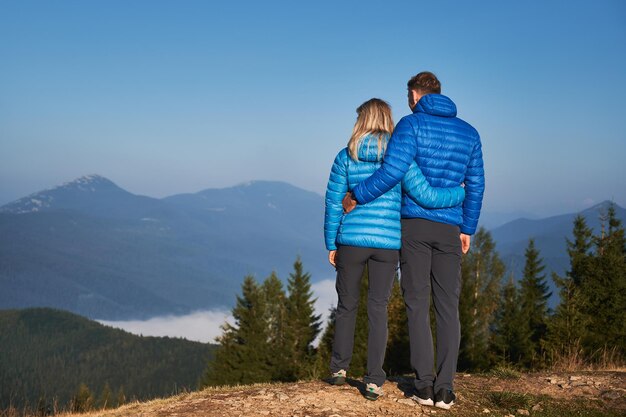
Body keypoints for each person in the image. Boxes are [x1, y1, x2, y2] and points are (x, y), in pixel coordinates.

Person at [343, 72, 485, 410]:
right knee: (448, 307)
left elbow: (392, 172)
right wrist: (467, 227)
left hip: (415, 227)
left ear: (414, 94)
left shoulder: (410, 125)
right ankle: (446, 389)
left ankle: (423, 386)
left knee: (418, 304)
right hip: (450, 229)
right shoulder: (470, 133)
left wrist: (357, 195)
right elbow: (476, 185)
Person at [324, 98, 465, 401]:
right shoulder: (400, 157)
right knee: (378, 308)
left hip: (351, 241)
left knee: (347, 306)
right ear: (388, 121)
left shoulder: (345, 156)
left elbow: (334, 203)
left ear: (360, 120)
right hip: (388, 245)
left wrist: (331, 243)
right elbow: (426, 195)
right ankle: (374, 379)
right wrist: (458, 192)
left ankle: (339, 368)